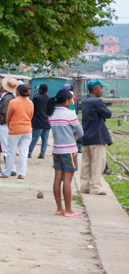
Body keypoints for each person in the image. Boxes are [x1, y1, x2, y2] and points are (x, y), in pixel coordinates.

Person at [47, 88, 84, 217]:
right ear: (68, 100)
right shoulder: (70, 114)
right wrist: (74, 134)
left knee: (57, 180)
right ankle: (68, 210)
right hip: (69, 151)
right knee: (67, 181)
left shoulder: (51, 114)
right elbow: (80, 133)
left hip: (57, 149)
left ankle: (59, 208)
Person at [80, 79, 113, 196]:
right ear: (95, 90)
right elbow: (108, 114)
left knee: (86, 163)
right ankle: (95, 188)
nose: (103, 90)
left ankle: (84, 187)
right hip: (97, 137)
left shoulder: (84, 101)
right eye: (101, 88)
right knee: (98, 163)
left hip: (86, 136)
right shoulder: (97, 101)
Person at [3, 84, 34, 179]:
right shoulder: (30, 103)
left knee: (11, 152)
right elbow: (31, 116)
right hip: (27, 130)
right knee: (24, 152)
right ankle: (22, 174)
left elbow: (8, 117)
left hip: (15, 129)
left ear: (17, 92)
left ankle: (6, 172)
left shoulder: (13, 102)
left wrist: (10, 126)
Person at [0, 77, 18, 176]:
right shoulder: (12, 97)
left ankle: (9, 169)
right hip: (11, 124)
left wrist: (1, 120)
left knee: (5, 148)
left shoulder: (5, 99)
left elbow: (4, 112)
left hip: (5, 124)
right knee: (10, 147)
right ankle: (11, 168)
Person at [29, 84, 51, 159]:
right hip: (47, 122)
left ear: (40, 90)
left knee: (34, 138)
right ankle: (42, 153)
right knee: (45, 139)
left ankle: (29, 152)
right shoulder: (49, 99)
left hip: (38, 122)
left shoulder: (36, 98)